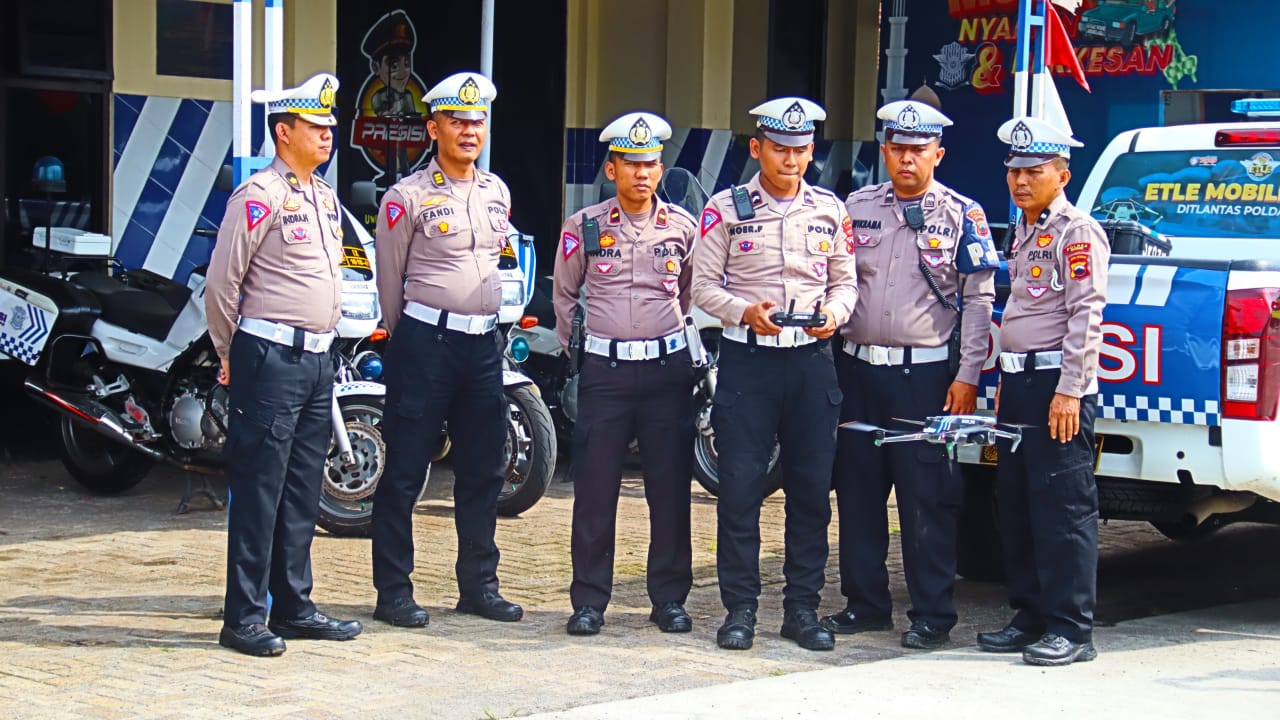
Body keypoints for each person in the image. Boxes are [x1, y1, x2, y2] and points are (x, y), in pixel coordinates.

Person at [824, 96, 998, 649]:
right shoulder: (856, 207)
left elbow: (979, 301)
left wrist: (968, 375)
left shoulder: (962, 214)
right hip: (857, 371)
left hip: (923, 379)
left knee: (927, 499)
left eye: (918, 150)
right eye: (898, 148)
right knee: (857, 494)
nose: (906, 159)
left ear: (938, 154)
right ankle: (865, 604)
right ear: (885, 151)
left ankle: (931, 615)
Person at [691, 97, 857, 652]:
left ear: (811, 152)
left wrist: (835, 314)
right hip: (750, 364)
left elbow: (846, 282)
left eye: (801, 150)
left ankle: (802, 610)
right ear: (757, 148)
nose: (791, 159)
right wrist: (743, 311)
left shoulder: (830, 210)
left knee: (810, 494)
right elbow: (702, 286)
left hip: (811, 363)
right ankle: (740, 609)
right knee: (740, 491)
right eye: (780, 149)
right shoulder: (725, 208)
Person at [206, 73, 362, 656]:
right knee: (259, 489)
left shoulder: (323, 196)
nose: (327, 135)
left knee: (300, 489)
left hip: (318, 360)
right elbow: (223, 283)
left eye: (329, 126)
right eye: (315, 126)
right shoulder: (259, 195)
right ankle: (245, 616)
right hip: (269, 356)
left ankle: (294, 606)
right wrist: (228, 353)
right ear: (283, 132)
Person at [371, 71, 524, 628]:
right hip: (425, 344)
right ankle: (393, 593)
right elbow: (390, 281)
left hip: (482, 345)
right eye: (457, 122)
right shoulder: (406, 197)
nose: (469, 131)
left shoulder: (496, 191)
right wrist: (412, 338)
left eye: (477, 122)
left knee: (484, 469)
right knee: (405, 472)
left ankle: (479, 587)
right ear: (434, 128)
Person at [553, 112, 700, 637]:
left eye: (651, 164)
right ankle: (589, 600)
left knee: (669, 488)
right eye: (631, 164)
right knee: (595, 491)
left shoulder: (682, 226)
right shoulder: (585, 226)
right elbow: (565, 296)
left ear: (660, 169)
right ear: (612, 168)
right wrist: (585, 354)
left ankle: (670, 599)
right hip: (606, 373)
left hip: (666, 372)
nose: (642, 173)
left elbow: (688, 293)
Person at [976, 115, 1109, 666]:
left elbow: (1086, 314)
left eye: (1034, 171)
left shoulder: (1077, 232)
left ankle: (1071, 629)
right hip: (1020, 382)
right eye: (1015, 171)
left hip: (1057, 386)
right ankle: (1029, 615)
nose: (1021, 180)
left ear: (1063, 175)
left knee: (1063, 508)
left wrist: (1070, 390)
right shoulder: (1027, 230)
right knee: (1018, 504)